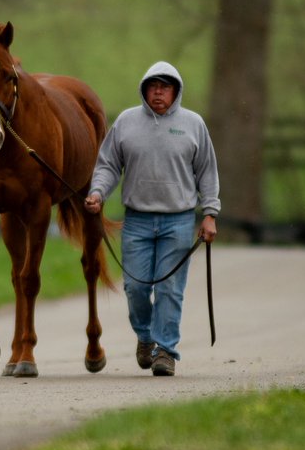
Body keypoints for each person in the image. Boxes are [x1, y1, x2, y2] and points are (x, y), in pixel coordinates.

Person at [84, 61, 220, 376]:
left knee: (171, 287)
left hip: (179, 219)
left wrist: (210, 214)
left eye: (165, 86)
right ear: (145, 90)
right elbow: (107, 165)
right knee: (135, 288)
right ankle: (145, 337)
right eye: (153, 86)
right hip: (138, 221)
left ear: (176, 91)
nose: (158, 92)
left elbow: (207, 172)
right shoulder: (126, 123)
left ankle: (166, 351)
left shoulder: (193, 124)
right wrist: (98, 193)